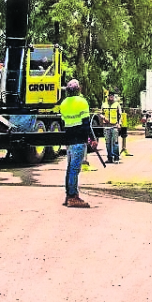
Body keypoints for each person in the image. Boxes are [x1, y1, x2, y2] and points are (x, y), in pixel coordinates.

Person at [60, 79, 92, 208]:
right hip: (79, 140)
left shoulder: (63, 103)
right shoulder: (82, 102)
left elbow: (63, 123)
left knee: (70, 168)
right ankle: (73, 197)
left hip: (69, 140)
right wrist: (91, 138)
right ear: (79, 89)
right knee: (74, 169)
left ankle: (69, 195)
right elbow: (86, 123)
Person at [100, 93, 123, 162]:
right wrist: (103, 117)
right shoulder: (104, 104)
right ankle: (109, 157)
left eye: (112, 96)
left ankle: (116, 157)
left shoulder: (117, 105)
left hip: (114, 125)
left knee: (115, 142)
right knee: (108, 143)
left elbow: (120, 115)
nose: (111, 98)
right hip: (106, 126)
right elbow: (101, 113)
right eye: (109, 96)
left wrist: (119, 124)